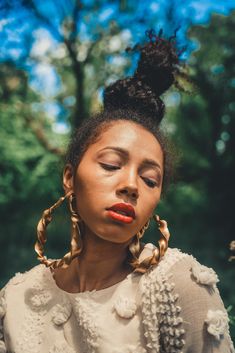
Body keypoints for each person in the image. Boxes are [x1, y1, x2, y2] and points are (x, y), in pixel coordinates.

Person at [0, 31, 234, 353]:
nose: (131, 185)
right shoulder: (14, 299)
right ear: (70, 177)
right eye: (111, 164)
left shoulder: (178, 286)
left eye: (150, 180)